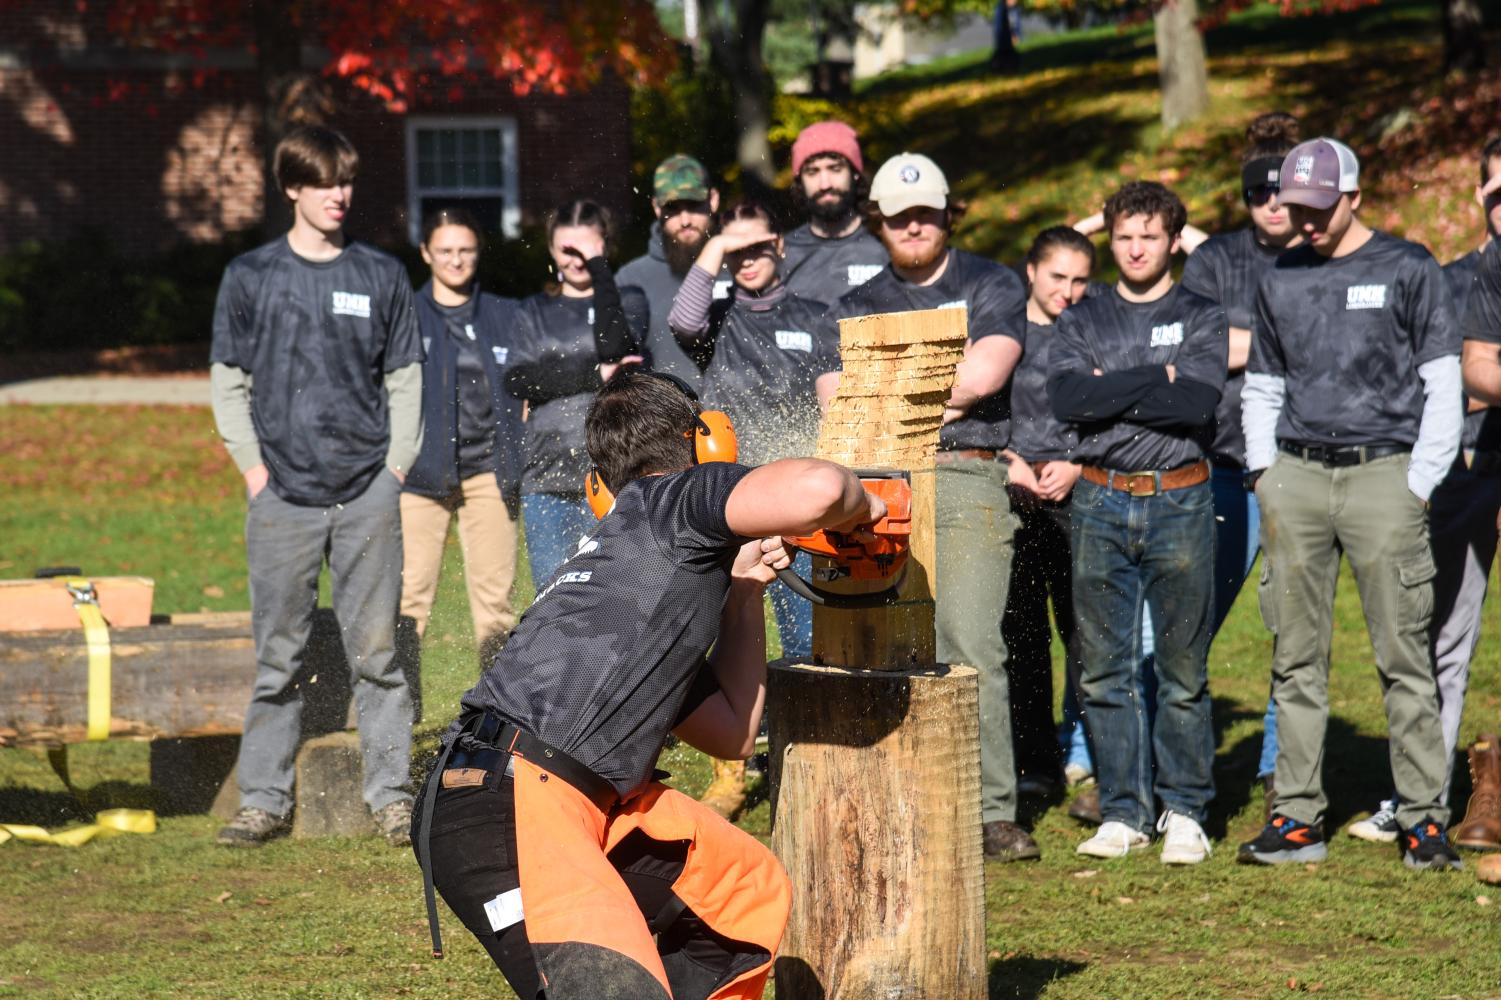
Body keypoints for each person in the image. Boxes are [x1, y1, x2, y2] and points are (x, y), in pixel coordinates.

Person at [414, 370, 886, 999]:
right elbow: (819, 486)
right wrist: (867, 505)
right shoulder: (677, 495)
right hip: (516, 799)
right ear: (707, 444)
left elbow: (733, 734)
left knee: (739, 889)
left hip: (535, 789)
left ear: (597, 483)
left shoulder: (634, 574)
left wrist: (742, 593)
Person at [1238, 137, 1464, 870]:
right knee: (1294, 657)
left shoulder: (1407, 268)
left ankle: (1424, 819)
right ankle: (1297, 817)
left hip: (1383, 476)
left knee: (1402, 653)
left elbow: (1441, 380)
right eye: (1292, 205)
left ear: (1353, 197)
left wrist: (1417, 482)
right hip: (1296, 476)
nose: (1301, 219)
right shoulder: (1279, 276)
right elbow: (1262, 384)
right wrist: (1263, 471)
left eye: (1316, 206)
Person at [209, 125, 423, 847]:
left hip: (366, 491)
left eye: (346, 181)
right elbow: (228, 382)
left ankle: (390, 795)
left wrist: (394, 470)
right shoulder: (250, 277)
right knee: (278, 656)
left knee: (378, 656)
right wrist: (254, 471)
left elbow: (404, 378)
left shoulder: (380, 275)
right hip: (282, 498)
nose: (340, 195)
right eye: (324, 182)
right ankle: (262, 799)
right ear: (292, 187)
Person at [829, 152, 1033, 861]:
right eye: (897, 216)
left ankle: (990, 810)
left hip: (964, 473)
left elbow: (982, 377)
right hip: (879, 483)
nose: (912, 225)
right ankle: (902, 796)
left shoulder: (989, 282)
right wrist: (931, 381)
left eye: (925, 212)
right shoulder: (858, 301)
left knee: (970, 643)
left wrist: (887, 390)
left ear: (948, 211)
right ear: (877, 222)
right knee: (880, 643)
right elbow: (834, 394)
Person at [1048, 180, 1226, 865]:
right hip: (1097, 499)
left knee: (1181, 668)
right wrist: (1159, 376)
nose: (1134, 248)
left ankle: (1184, 808)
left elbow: (1198, 405)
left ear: (1173, 241)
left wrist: (1112, 388)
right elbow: (1069, 400)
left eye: (1148, 236)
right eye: (1122, 236)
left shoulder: (1202, 313)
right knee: (1103, 668)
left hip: (1179, 498)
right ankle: (1124, 810)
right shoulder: (1081, 316)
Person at [669, 201, 841, 818]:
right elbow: (681, 319)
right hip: (727, 499)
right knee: (725, 627)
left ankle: (801, 761)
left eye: (758, 248)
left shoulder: (815, 315)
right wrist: (719, 242)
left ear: (781, 247)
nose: (747, 262)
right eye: (735, 253)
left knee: (801, 634)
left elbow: (832, 404)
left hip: (793, 500)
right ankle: (730, 775)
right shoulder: (716, 316)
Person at [1354, 137, 1501, 849]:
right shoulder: (1443, 283)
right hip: (1464, 471)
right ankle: (1420, 795)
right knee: (1439, 629)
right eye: (1497, 191)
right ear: (1479, 196)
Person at [1178, 111, 1303, 815]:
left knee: (1295, 624)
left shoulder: (1320, 253)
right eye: (1258, 194)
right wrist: (1294, 340)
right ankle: (1175, 763)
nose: (1272, 206)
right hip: (1218, 463)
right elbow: (1201, 349)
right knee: (1190, 622)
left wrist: (1243, 339)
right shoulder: (1214, 260)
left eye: (1282, 192)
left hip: (1297, 468)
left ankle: (1280, 765)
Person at [400, 207, 526, 670]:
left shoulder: (506, 315)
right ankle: (398, 716)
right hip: (416, 476)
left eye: (466, 250)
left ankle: (495, 715)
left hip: (489, 473)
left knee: (494, 603)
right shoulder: (405, 315)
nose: (456, 260)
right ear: (426, 253)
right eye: (446, 250)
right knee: (408, 599)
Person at [506, 199, 647, 586]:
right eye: (568, 250)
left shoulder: (628, 298)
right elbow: (518, 379)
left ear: (606, 247)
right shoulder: (533, 310)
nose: (577, 259)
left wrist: (601, 272)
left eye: (589, 250)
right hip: (546, 474)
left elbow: (616, 349)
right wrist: (594, 374)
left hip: (613, 472)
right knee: (552, 596)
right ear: (552, 250)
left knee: (613, 592)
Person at [1000, 227, 1092, 802]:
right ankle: (1036, 763)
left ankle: (1089, 753)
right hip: (1013, 496)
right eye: (1058, 276)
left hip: (1080, 496)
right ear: (1030, 271)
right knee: (1022, 636)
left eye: (1081, 279)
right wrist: (1010, 461)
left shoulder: (1095, 332)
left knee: (1084, 634)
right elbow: (980, 407)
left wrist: (1077, 463)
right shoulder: (1001, 330)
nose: (1069, 291)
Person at [618, 154, 726, 391]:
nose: (685, 220)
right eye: (673, 208)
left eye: (694, 205)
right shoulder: (631, 278)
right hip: (662, 422)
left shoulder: (744, 266)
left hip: (739, 419)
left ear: (714, 199)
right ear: (656, 208)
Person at [781, 121, 889, 305]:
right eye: (812, 172)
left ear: (855, 174)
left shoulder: (887, 242)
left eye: (835, 168)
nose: (825, 184)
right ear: (800, 181)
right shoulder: (783, 253)